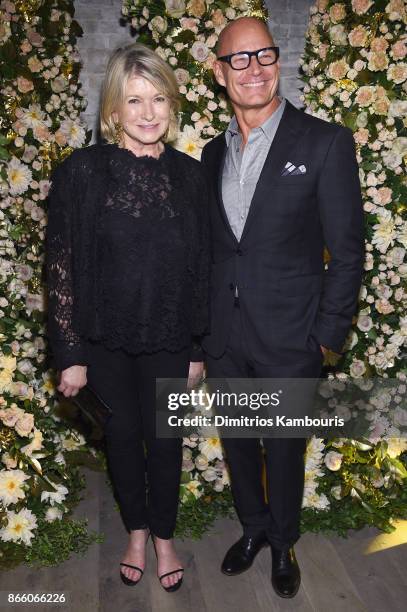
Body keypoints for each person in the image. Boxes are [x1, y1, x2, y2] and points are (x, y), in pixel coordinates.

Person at [201, 17, 364, 598]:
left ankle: (283, 540)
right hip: (225, 338)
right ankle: (252, 531)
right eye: (238, 59)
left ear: (277, 60)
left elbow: (347, 252)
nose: (254, 68)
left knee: (286, 451)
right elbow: (214, 252)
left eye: (264, 54)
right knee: (240, 446)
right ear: (219, 72)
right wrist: (202, 336)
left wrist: (326, 336)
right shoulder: (209, 153)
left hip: (292, 339)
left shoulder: (323, 142)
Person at [46, 42, 210, 593]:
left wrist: (197, 347)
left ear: (172, 105)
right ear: (113, 110)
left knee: (166, 443)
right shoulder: (82, 173)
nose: (148, 113)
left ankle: (164, 536)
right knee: (121, 441)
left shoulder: (191, 177)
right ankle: (135, 532)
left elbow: (202, 267)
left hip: (169, 338)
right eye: (134, 100)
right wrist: (69, 355)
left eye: (158, 98)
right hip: (105, 341)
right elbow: (62, 265)